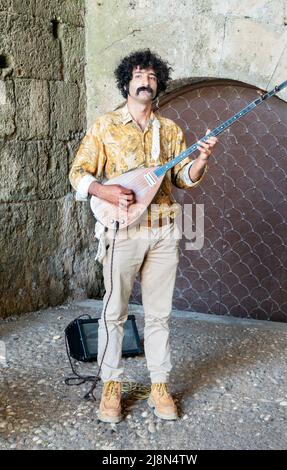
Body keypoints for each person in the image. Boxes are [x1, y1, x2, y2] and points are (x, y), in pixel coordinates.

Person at [69, 49, 218, 423]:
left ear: (158, 84)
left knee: (159, 315)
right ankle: (111, 386)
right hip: (121, 231)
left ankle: (159, 386)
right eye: (139, 75)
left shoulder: (170, 130)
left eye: (152, 76)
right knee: (114, 312)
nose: (145, 81)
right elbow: (78, 173)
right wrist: (105, 192)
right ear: (126, 82)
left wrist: (200, 158)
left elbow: (182, 178)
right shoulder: (105, 126)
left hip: (164, 231)